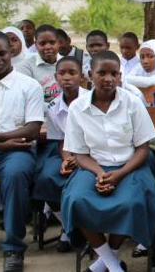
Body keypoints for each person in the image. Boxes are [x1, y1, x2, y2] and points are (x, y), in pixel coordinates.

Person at [61, 51, 155, 272]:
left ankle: (106, 261)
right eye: (102, 73)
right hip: (93, 166)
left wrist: (119, 175)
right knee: (76, 200)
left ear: (120, 76)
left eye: (114, 73)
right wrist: (99, 173)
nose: (108, 78)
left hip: (131, 165)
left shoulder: (132, 103)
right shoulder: (78, 107)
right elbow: (79, 153)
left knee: (133, 203)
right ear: (89, 75)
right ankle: (113, 264)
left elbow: (143, 148)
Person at [0, 31, 44, 272]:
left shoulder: (29, 86)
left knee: (15, 176)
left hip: (17, 153)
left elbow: (33, 130)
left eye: (1, 53)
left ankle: (13, 248)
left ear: (11, 52)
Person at [33, 56, 87, 253]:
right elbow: (60, 139)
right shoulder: (53, 107)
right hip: (67, 152)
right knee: (46, 177)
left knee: (80, 181)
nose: (67, 78)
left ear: (81, 77)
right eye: (62, 74)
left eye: (72, 73)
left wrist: (79, 157)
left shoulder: (91, 99)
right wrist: (66, 159)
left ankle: (79, 228)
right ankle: (69, 227)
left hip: (92, 153)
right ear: (55, 78)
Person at [15, 24, 62, 104]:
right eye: (42, 43)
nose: (47, 47)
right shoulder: (25, 67)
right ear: (36, 45)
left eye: (52, 42)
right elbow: (26, 98)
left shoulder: (68, 63)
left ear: (58, 43)